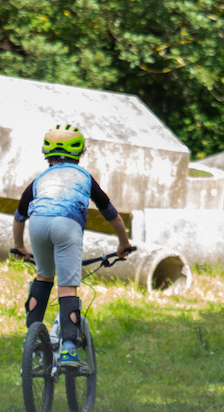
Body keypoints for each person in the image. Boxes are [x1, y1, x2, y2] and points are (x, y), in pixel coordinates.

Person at [11, 124, 133, 369]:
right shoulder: (85, 177)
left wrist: (19, 246)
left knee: (44, 277)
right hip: (67, 225)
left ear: (47, 154)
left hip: (38, 224)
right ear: (79, 153)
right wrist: (123, 243)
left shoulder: (40, 180)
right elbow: (112, 215)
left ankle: (31, 339)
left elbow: (19, 216)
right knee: (67, 288)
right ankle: (68, 349)